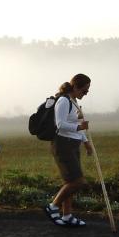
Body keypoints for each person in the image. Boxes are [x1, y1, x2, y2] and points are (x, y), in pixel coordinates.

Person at [43, 74, 93, 227]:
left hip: (73, 144)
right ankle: (52, 206)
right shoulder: (64, 101)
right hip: (63, 144)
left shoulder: (74, 101)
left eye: (87, 91)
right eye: (84, 91)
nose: (85, 94)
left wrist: (86, 142)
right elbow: (60, 124)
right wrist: (79, 127)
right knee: (78, 181)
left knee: (69, 181)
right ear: (76, 87)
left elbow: (77, 124)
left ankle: (67, 216)